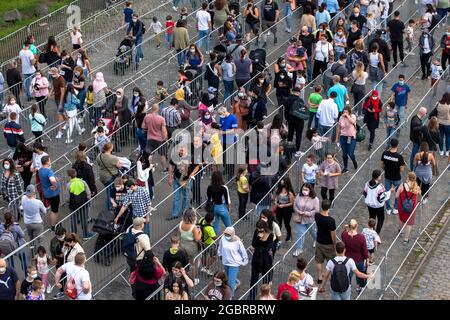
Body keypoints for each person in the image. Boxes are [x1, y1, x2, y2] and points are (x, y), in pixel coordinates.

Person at [217, 226, 248, 297]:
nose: (226, 236)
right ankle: (235, 281)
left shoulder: (238, 242)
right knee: (227, 278)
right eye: (226, 234)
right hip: (225, 262)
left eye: (228, 234)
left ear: (232, 234)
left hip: (234, 263)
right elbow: (220, 247)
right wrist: (220, 254)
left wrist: (244, 261)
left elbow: (243, 252)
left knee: (230, 283)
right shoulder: (223, 238)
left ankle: (230, 296)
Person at [341, 219, 369, 292]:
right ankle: (359, 286)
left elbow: (343, 234)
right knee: (360, 273)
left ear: (349, 226)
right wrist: (367, 260)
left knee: (348, 274)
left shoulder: (344, 235)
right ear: (357, 226)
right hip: (359, 259)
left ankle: (348, 286)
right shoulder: (361, 237)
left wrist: (345, 229)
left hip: (348, 259)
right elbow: (364, 251)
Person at [293, 183, 319, 257]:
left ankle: (316, 240)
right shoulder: (299, 196)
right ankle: (299, 249)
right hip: (300, 219)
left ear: (310, 190)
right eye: (303, 189)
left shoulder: (315, 199)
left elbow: (316, 210)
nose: (304, 191)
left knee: (313, 232)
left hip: (310, 220)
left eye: (306, 190)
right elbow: (295, 205)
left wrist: (307, 213)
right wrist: (298, 211)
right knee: (300, 235)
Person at [381, 138, 406, 215]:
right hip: (396, 178)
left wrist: (386, 169)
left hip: (387, 176)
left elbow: (381, 165)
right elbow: (402, 169)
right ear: (397, 145)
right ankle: (395, 208)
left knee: (387, 192)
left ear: (390, 145)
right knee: (398, 193)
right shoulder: (399, 157)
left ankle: (388, 209)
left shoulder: (385, 153)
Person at [396, 172, 421, 243]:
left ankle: (400, 231)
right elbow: (419, 197)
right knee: (409, 223)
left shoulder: (402, 185)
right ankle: (406, 239)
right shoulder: (417, 187)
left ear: (408, 177)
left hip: (401, 206)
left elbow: (397, 196)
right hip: (411, 208)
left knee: (401, 219)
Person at [96, 142, 121, 210]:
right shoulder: (113, 158)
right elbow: (119, 166)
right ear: (110, 149)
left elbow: (98, 164)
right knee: (109, 193)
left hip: (102, 176)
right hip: (110, 177)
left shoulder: (99, 156)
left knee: (108, 190)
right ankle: (109, 208)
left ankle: (111, 205)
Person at [38, 156, 60, 229]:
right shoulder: (48, 171)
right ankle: (54, 225)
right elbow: (52, 180)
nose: (50, 161)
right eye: (49, 160)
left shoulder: (40, 170)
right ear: (47, 162)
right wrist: (54, 185)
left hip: (47, 193)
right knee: (54, 210)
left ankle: (55, 223)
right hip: (53, 194)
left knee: (53, 209)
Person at [336, 106, 358, 174]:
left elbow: (353, 122)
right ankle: (345, 167)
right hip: (343, 137)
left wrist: (347, 116)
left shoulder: (352, 116)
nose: (344, 113)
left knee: (350, 153)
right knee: (344, 153)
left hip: (351, 137)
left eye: (346, 112)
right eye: (344, 112)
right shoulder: (341, 117)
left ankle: (354, 161)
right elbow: (339, 128)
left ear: (349, 112)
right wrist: (337, 138)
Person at [273, 178, 295, 242]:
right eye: (281, 183)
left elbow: (292, 203)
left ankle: (289, 235)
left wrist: (284, 205)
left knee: (287, 224)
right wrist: (276, 202)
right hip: (279, 208)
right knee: (278, 223)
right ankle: (278, 237)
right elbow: (275, 198)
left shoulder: (289, 192)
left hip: (287, 210)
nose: (281, 184)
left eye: (283, 183)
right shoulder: (278, 190)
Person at [49, 68, 67, 139]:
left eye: (53, 74)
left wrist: (60, 103)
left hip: (61, 99)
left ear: (56, 72)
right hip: (56, 98)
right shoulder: (54, 78)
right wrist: (50, 93)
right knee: (62, 113)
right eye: (51, 74)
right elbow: (53, 86)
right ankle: (68, 121)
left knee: (59, 114)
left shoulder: (61, 80)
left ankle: (60, 131)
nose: (52, 75)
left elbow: (63, 92)